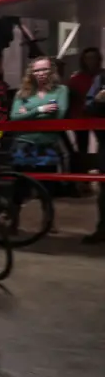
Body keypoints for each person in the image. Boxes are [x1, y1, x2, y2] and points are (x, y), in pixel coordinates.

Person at [10, 57, 69, 194]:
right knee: (20, 189)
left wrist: (27, 112)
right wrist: (41, 110)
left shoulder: (61, 90)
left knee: (47, 190)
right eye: (36, 70)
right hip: (23, 143)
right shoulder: (22, 93)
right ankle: (14, 214)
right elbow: (14, 117)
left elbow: (58, 116)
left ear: (52, 70)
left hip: (47, 144)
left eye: (44, 69)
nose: (40, 73)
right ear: (31, 72)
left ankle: (46, 215)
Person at [67, 48, 102, 180]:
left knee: (101, 145)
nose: (91, 61)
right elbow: (71, 99)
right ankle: (82, 178)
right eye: (88, 58)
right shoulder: (76, 79)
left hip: (99, 117)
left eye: (93, 57)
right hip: (80, 117)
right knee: (81, 147)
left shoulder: (102, 76)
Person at [83, 64, 105, 243]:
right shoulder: (102, 78)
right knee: (104, 191)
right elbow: (88, 108)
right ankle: (103, 229)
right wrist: (98, 99)